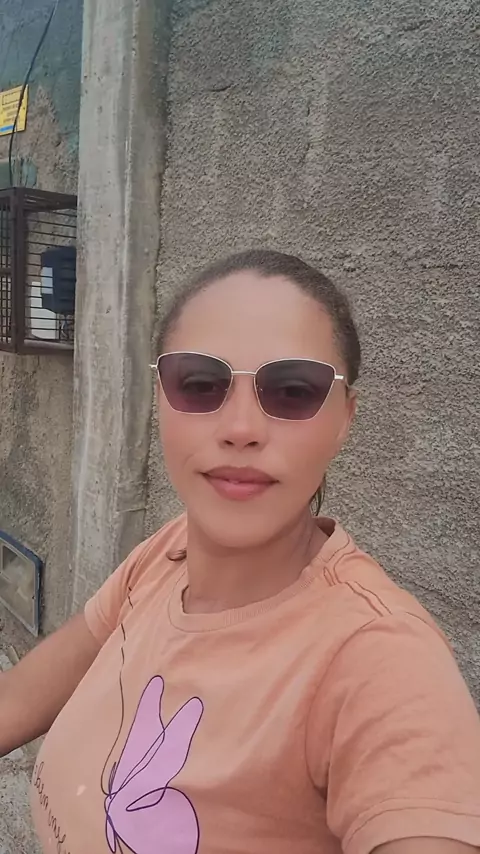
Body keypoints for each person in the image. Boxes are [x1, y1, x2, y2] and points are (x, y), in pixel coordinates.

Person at [1, 250, 479, 854]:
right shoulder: (163, 556)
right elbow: (19, 698)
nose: (241, 429)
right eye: (200, 384)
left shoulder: (380, 660)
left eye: (294, 390)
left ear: (344, 420)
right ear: (159, 398)